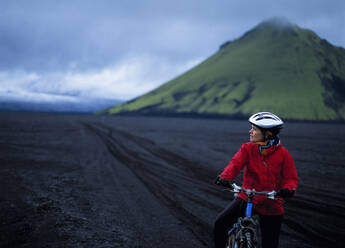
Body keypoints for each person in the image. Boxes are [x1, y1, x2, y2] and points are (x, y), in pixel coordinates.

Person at [214, 112, 298, 248]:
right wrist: (225, 177)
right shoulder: (247, 148)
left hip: (272, 202)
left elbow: (291, 178)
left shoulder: (284, 155)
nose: (250, 131)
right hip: (247, 197)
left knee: (270, 244)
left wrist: (288, 190)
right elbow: (235, 164)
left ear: (268, 133)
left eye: (254, 129)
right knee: (220, 223)